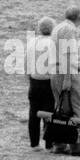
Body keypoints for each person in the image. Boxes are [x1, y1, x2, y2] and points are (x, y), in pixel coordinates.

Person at [51, 7, 80, 155]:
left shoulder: (57, 28)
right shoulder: (69, 30)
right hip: (68, 73)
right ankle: (77, 144)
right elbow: (68, 54)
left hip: (55, 71)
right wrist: (68, 78)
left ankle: (59, 143)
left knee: (60, 109)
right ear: (79, 18)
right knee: (78, 108)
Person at [26, 17, 56, 150]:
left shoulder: (32, 42)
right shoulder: (53, 43)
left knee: (33, 113)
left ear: (39, 28)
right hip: (48, 81)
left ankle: (34, 144)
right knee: (49, 113)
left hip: (34, 81)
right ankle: (49, 144)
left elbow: (27, 62)